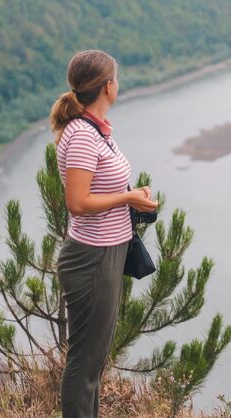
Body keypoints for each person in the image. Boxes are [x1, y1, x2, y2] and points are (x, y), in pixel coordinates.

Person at [48, 49, 157, 417]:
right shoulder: (82, 135)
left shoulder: (96, 129)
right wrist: (127, 197)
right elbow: (77, 203)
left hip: (105, 254)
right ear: (108, 86)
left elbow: (97, 190)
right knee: (85, 362)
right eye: (116, 78)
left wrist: (132, 197)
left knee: (94, 361)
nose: (118, 84)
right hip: (92, 259)